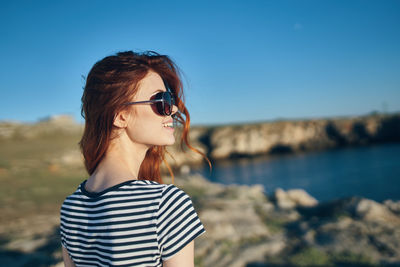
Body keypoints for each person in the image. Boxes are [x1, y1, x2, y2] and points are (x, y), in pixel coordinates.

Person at [60, 51, 208, 267]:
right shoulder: (164, 205)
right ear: (120, 116)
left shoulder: (71, 208)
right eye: (161, 100)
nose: (174, 109)